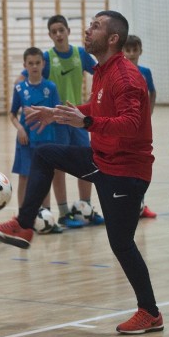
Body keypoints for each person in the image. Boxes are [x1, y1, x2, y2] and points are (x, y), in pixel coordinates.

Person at [0, 10, 163, 334]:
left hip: (126, 170)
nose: (87, 30)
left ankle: (149, 312)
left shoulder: (126, 77)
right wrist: (58, 113)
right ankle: (25, 225)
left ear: (112, 39)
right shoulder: (102, 71)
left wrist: (87, 123)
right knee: (45, 154)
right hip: (104, 158)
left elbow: (132, 123)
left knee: (121, 244)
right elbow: (98, 108)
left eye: (95, 26)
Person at [21, 15, 103, 228]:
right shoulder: (46, 58)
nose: (58, 34)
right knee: (58, 167)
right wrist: (28, 103)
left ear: (68, 31)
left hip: (78, 117)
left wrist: (94, 99)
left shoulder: (81, 54)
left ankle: (86, 208)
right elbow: (22, 80)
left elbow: (100, 74)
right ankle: (64, 212)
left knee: (89, 161)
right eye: (54, 31)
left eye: (61, 30)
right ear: (50, 35)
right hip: (57, 119)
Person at [10, 46, 62, 232]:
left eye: (37, 63)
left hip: (46, 139)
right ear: (25, 65)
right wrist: (20, 128)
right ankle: (23, 219)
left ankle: (46, 217)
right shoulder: (19, 88)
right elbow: (12, 114)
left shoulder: (50, 87)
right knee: (24, 178)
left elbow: (57, 111)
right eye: (30, 63)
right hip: (26, 140)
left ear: (43, 64)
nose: (34, 66)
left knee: (44, 177)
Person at [122, 35, 157, 218]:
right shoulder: (119, 72)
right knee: (125, 165)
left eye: (135, 50)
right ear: (122, 52)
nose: (132, 54)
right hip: (124, 127)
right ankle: (127, 204)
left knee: (141, 165)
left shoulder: (146, 72)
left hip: (140, 129)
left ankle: (141, 204)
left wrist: (148, 113)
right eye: (128, 50)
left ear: (140, 51)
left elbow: (153, 92)